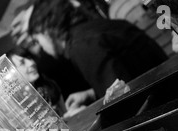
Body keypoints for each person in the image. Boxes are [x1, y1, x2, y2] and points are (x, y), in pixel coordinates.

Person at [28, 0, 168, 110]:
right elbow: (128, 75)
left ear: (46, 29)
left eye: (37, 40)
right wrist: (91, 94)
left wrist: (81, 116)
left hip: (164, 104)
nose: (41, 48)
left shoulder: (80, 46)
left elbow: (125, 102)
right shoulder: (94, 29)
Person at [7, 47, 67, 117]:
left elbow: (66, 114)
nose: (31, 63)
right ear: (12, 73)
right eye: (22, 63)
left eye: (29, 58)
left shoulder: (49, 86)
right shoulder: (16, 103)